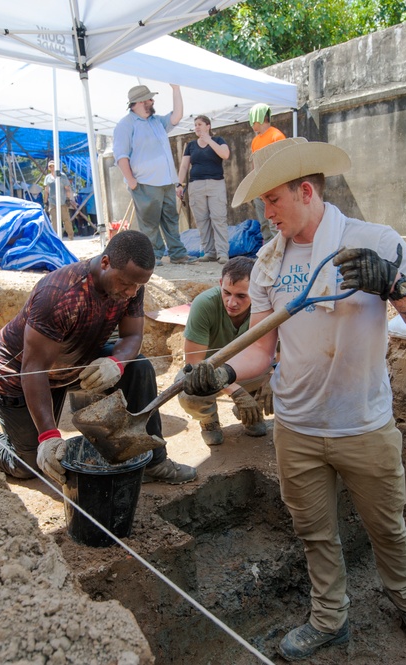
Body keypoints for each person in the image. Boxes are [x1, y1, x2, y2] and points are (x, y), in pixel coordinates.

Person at [181, 139, 406, 660]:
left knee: (387, 527)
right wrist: (217, 375)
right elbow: (262, 351)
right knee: (315, 534)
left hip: (364, 426)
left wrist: (393, 284)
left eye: (273, 201)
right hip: (297, 428)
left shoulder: (374, 242)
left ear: (306, 191)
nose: (266, 214)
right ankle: (330, 620)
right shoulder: (266, 261)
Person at [0, 229, 197, 486]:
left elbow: (131, 337)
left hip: (73, 363)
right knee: (28, 467)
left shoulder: (132, 285)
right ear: (105, 262)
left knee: (138, 367)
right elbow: (34, 368)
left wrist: (115, 363)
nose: (131, 292)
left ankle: (153, 462)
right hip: (18, 376)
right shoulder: (59, 294)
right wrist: (49, 436)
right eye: (126, 284)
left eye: (138, 285)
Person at [178, 256, 272, 446]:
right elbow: (194, 363)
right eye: (226, 292)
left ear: (257, 291)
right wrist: (236, 392)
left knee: (284, 384)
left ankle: (252, 411)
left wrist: (273, 377)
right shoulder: (204, 304)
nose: (231, 302)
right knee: (190, 392)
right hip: (209, 375)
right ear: (220, 283)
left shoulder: (266, 306)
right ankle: (209, 420)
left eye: (241, 296)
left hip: (249, 371)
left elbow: (278, 354)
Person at [113, 84, 191, 267]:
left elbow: (177, 116)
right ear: (139, 102)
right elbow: (121, 155)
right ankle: (152, 257)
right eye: (149, 98)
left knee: (171, 218)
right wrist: (132, 181)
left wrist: (176, 89)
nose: (152, 100)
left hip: (166, 181)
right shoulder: (125, 125)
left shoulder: (156, 121)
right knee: (149, 223)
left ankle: (178, 253)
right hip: (145, 182)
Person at [177, 115, 231, 264]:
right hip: (196, 185)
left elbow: (225, 154)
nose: (197, 127)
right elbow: (184, 166)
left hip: (216, 184)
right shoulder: (191, 145)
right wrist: (179, 184)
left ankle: (222, 253)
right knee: (202, 220)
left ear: (208, 126)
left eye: (200, 124)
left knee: (218, 218)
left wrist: (208, 140)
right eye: (195, 125)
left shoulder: (219, 141)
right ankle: (209, 252)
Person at [247, 103, 286, 244]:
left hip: (274, 184)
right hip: (260, 185)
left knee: (275, 222)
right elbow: (254, 164)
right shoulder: (255, 141)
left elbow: (283, 161)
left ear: (260, 118)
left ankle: (280, 250)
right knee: (264, 222)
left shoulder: (277, 136)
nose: (250, 123)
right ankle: (269, 252)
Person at [44, 160, 74, 240]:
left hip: (62, 201)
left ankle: (70, 236)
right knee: (53, 221)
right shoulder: (47, 178)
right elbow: (46, 190)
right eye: (50, 166)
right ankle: (55, 238)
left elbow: (67, 188)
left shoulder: (62, 176)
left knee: (66, 220)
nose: (51, 168)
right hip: (52, 202)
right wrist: (45, 202)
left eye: (53, 166)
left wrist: (68, 199)